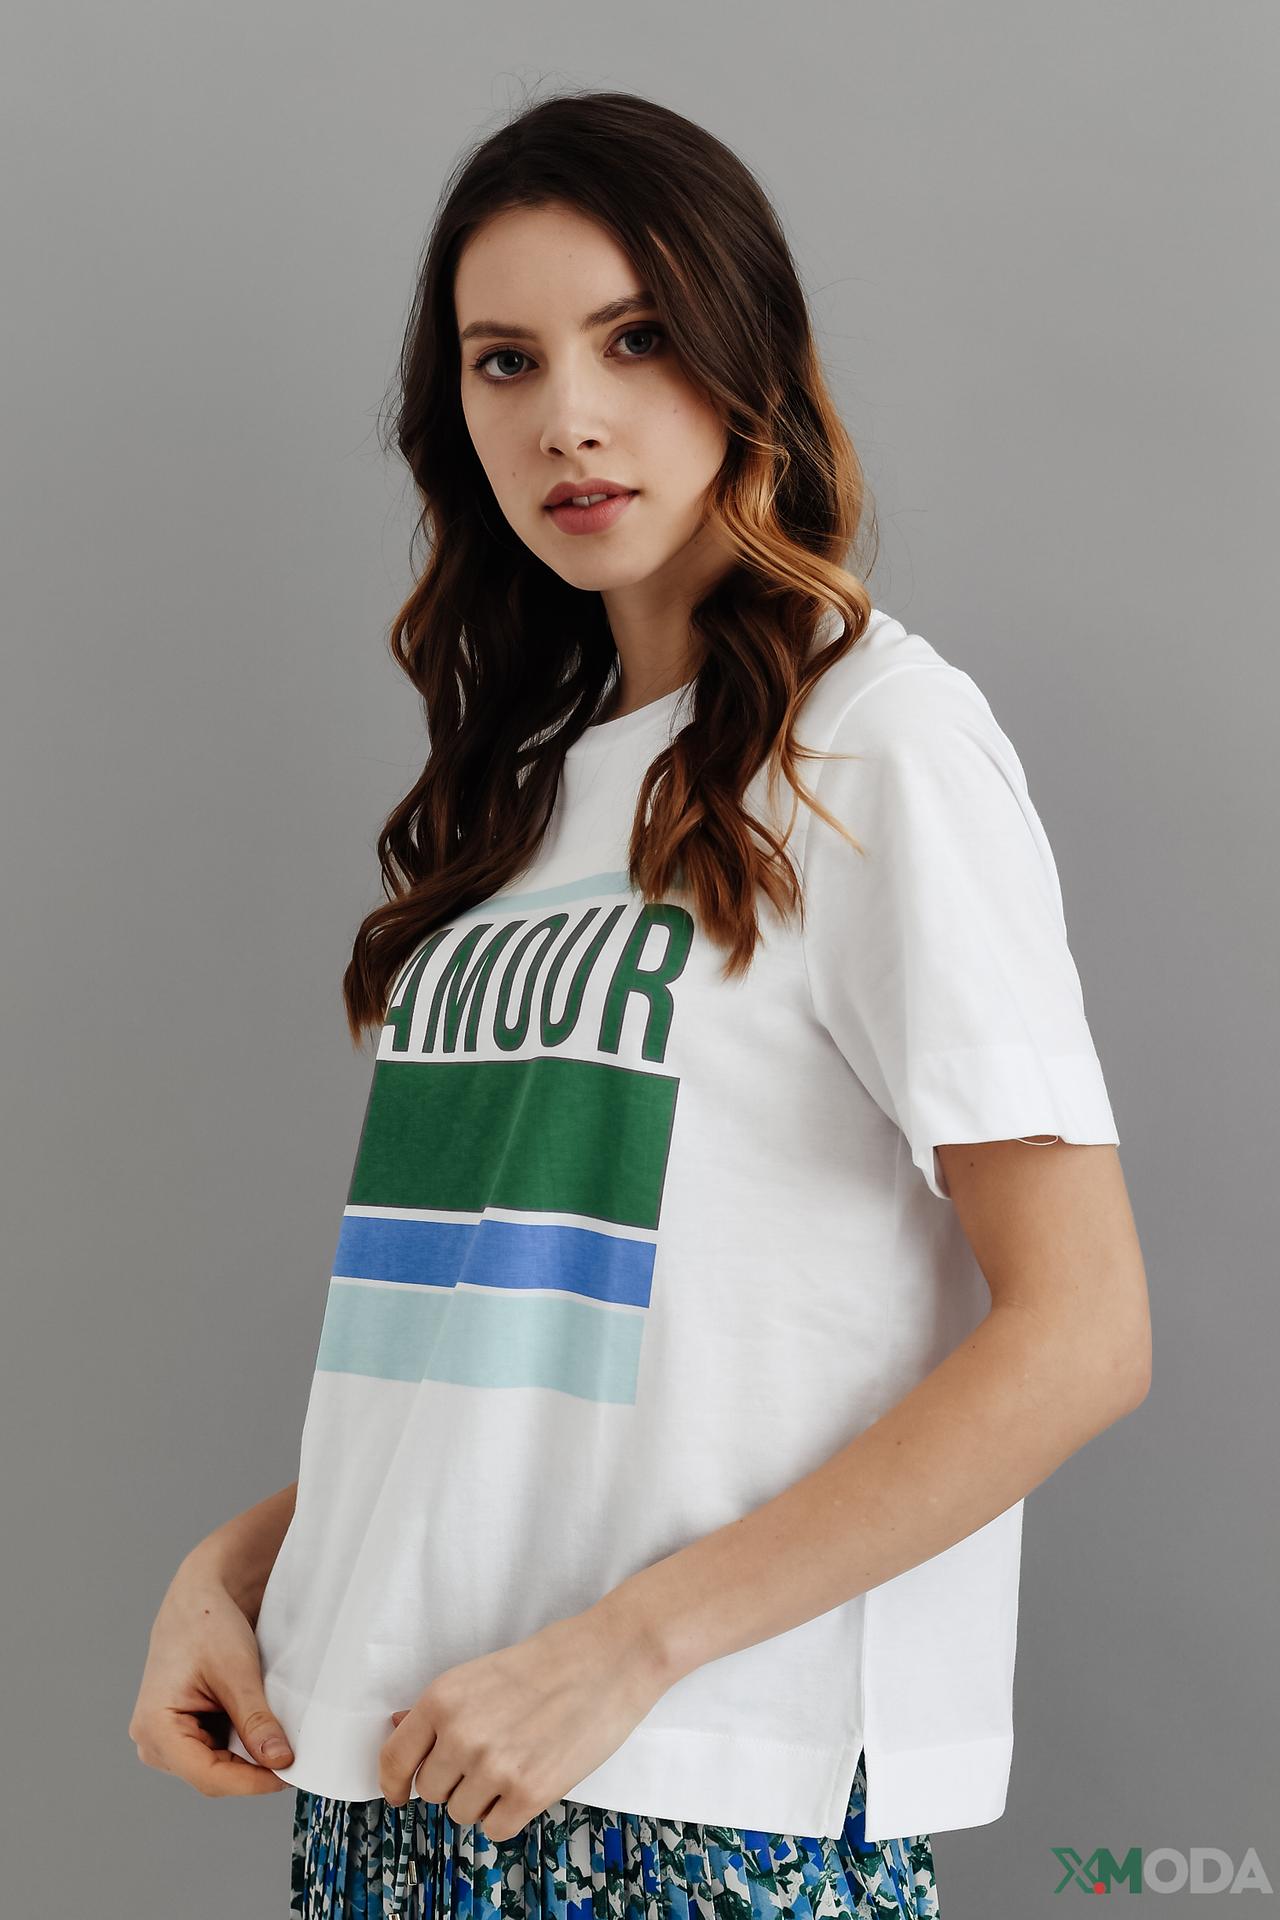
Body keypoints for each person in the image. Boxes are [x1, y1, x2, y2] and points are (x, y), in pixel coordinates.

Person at [129, 87, 1152, 1920]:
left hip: (689, 1795)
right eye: (504, 362)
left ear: (748, 357)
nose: (567, 419)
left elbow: (1084, 1332)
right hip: (389, 1783)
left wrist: (629, 1651)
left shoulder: (876, 744)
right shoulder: (532, 804)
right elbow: (507, 1347)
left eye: (638, 339)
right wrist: (242, 1569)